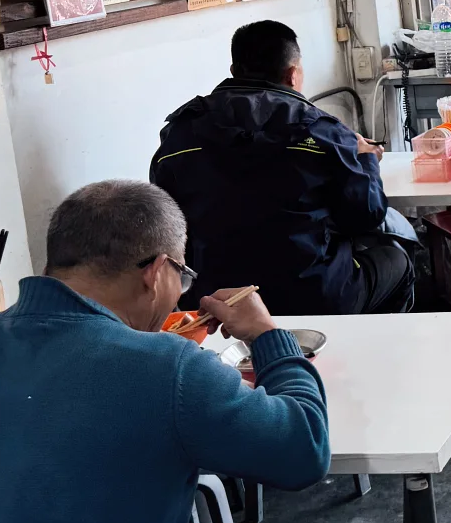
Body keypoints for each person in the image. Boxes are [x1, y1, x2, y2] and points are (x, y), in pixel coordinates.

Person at [0, 180, 396, 523]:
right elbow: (303, 451)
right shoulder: (166, 366)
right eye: (182, 275)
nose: (179, 291)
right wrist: (268, 336)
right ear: (156, 270)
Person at [151, 21, 414, 316]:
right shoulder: (323, 132)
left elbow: (165, 217)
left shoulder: (180, 132)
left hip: (213, 301)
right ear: (292, 74)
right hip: (310, 295)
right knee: (397, 259)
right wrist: (365, 158)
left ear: (234, 71)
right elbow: (365, 216)